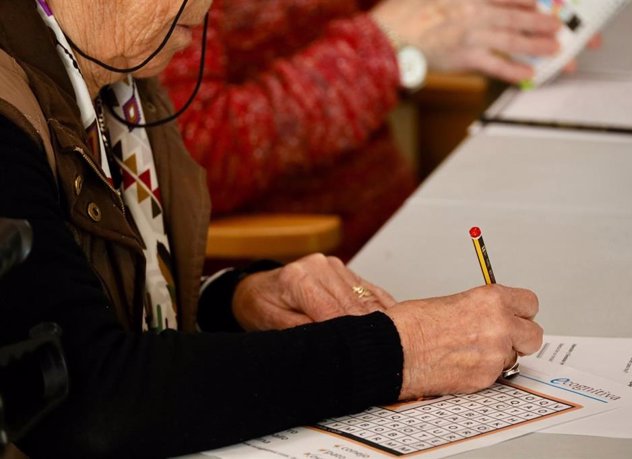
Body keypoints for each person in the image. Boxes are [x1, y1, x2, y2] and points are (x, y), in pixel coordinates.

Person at [0, 0, 543, 457]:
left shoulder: (122, 78)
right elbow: (88, 403)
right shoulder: (11, 115)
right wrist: (401, 352)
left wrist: (233, 302)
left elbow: (102, 318)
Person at [162, 0, 561, 259]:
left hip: (397, 223)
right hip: (301, 268)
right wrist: (385, 45)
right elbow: (189, 155)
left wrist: (493, 20)